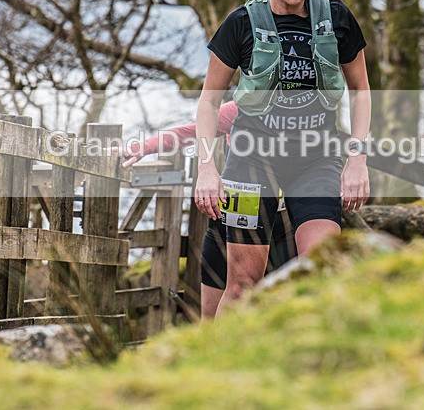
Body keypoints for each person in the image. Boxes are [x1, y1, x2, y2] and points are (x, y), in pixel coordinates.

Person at [194, 0, 371, 314]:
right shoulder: (241, 23)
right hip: (250, 161)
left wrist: (357, 159)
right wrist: (206, 168)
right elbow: (208, 103)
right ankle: (219, 369)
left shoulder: (336, 17)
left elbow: (361, 91)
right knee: (242, 284)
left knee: (324, 269)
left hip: (316, 159)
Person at [119, 101, 296, 319]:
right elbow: (187, 133)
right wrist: (143, 147)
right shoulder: (239, 108)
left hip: (282, 228)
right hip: (228, 227)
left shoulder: (310, 109)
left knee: (276, 314)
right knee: (210, 320)